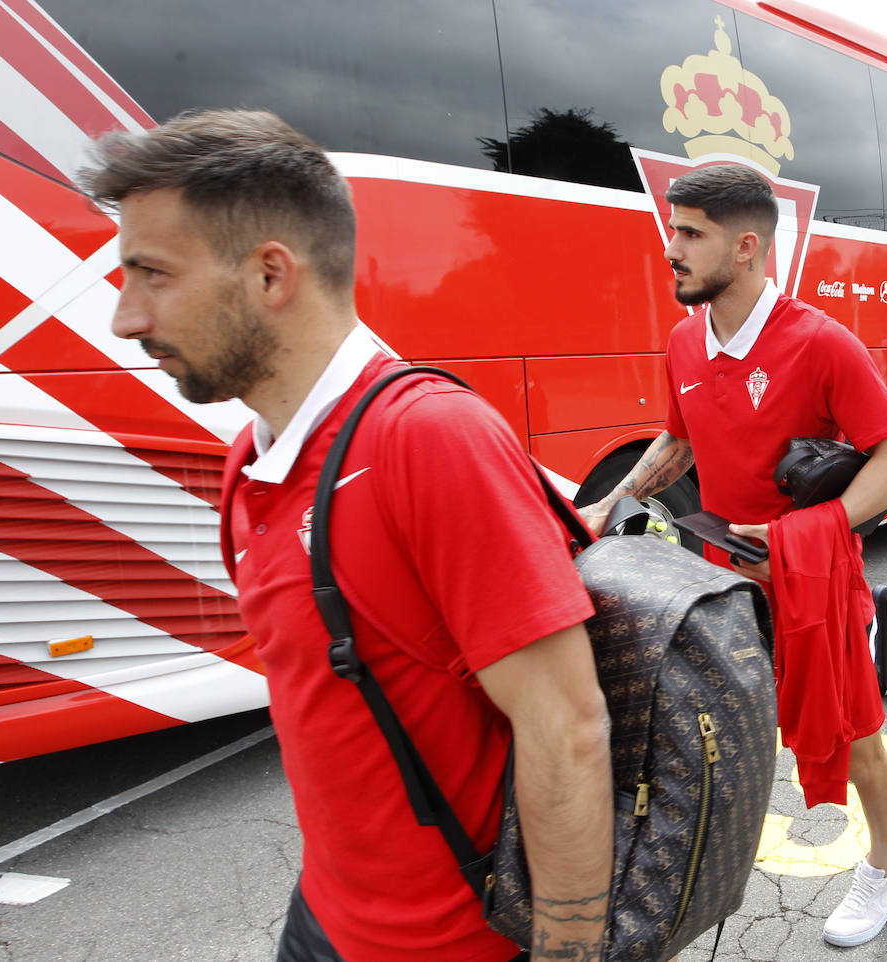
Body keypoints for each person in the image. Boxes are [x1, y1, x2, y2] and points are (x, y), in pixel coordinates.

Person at [80, 109, 612, 962]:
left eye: (152, 274)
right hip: (323, 919)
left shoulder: (426, 441)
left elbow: (568, 729)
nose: (126, 318)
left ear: (269, 276)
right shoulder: (249, 458)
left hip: (454, 946)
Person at [579, 163, 887, 948]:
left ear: (744, 247)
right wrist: (609, 502)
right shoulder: (681, 342)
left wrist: (815, 528)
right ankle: (686, 883)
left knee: (859, 741)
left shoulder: (820, 342)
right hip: (720, 596)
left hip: (813, 583)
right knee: (702, 743)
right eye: (673, 231)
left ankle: (886, 873)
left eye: (690, 234)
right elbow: (680, 437)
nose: (672, 250)